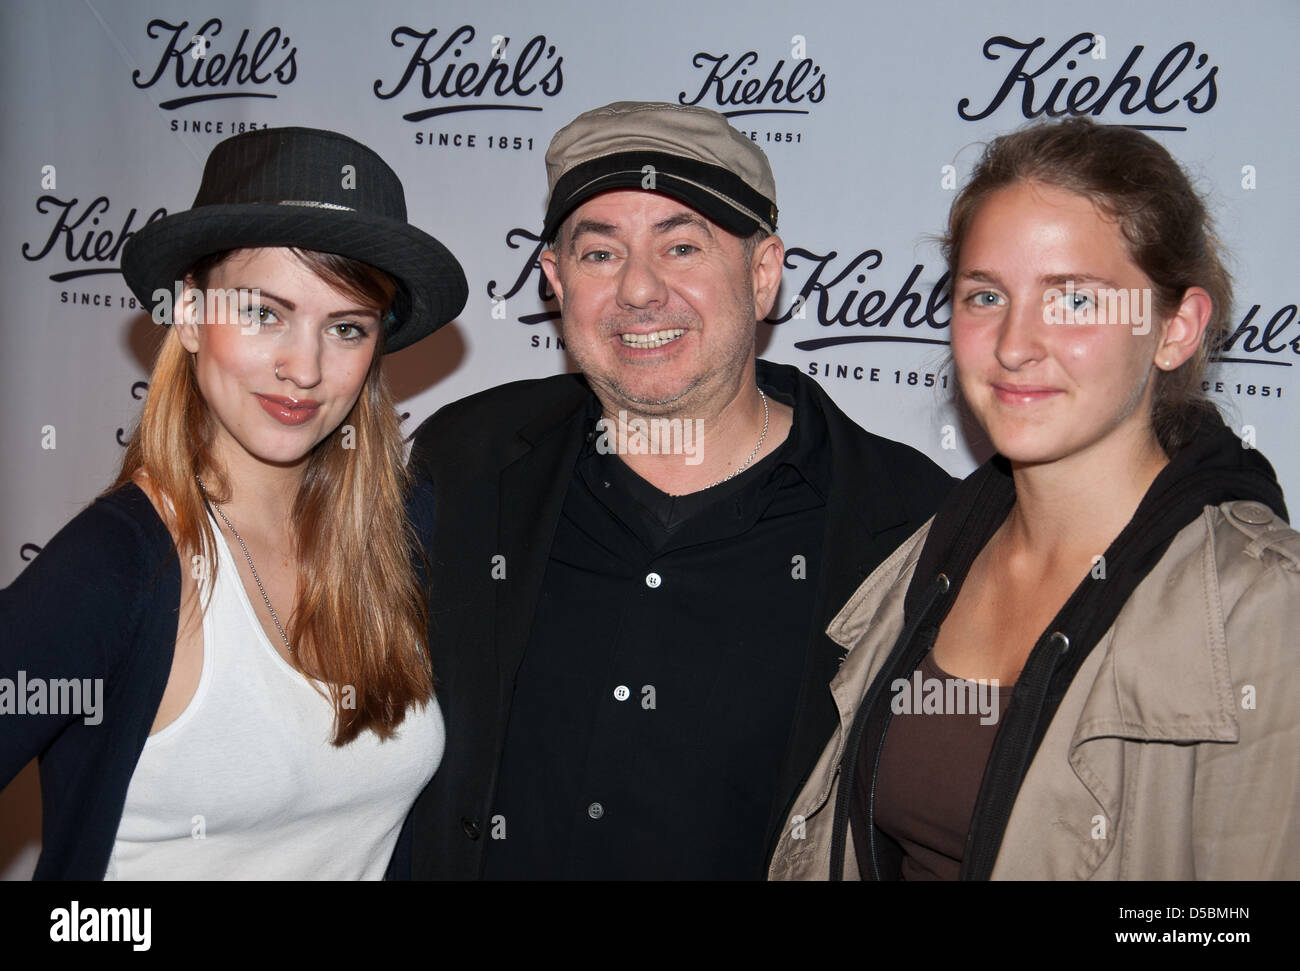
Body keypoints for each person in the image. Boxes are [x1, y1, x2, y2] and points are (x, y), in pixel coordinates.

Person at [405, 100, 955, 879]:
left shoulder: (910, 524)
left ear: (763, 274)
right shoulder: (467, 461)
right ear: (555, 281)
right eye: (600, 254)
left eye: (683, 246)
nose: (638, 290)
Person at [768, 117, 1300, 881]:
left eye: (1074, 300)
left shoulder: (1262, 605)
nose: (1015, 344)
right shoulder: (929, 553)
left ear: (1175, 328)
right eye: (985, 295)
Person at [0, 126, 468, 879]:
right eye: (263, 313)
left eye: (345, 327)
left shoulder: (402, 540)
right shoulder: (118, 566)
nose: (303, 367)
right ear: (190, 313)